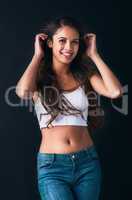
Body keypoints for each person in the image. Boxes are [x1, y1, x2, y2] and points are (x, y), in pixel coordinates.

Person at [15, 16, 123, 200]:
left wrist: (94, 55)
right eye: (62, 41)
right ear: (49, 43)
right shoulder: (39, 79)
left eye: (74, 42)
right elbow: (23, 92)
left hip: (87, 163)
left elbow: (115, 92)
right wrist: (37, 56)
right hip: (52, 167)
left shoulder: (84, 76)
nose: (69, 48)